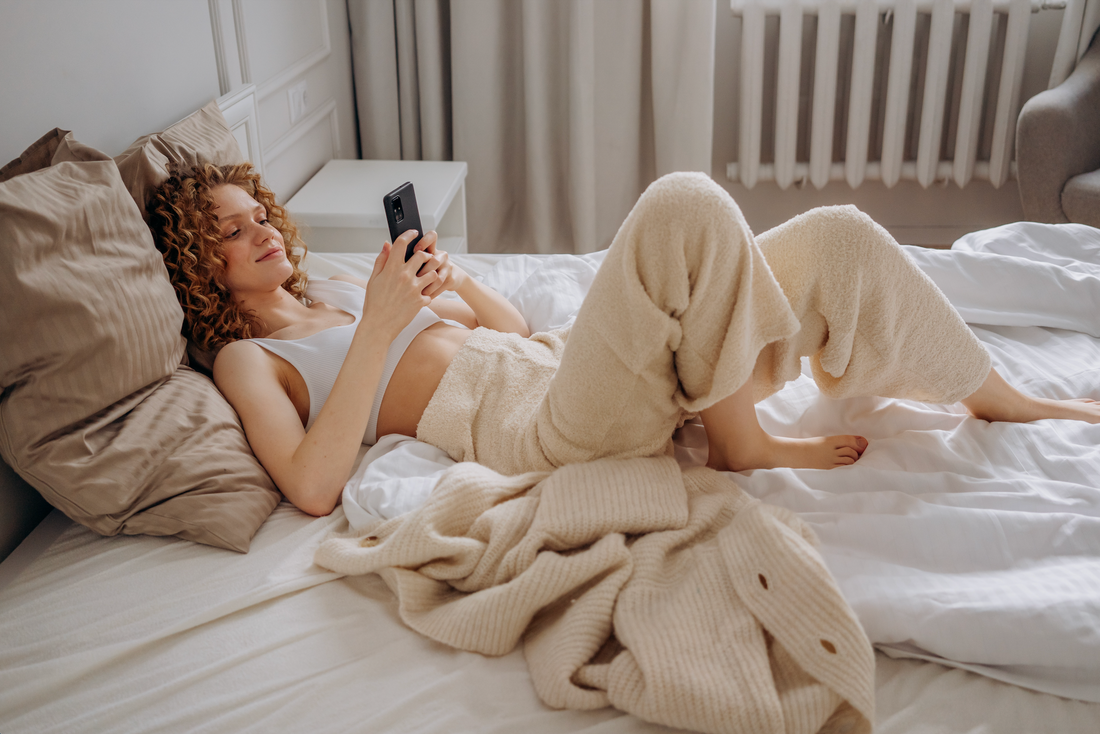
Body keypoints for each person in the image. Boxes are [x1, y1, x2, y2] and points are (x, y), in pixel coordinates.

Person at [150, 163, 1100, 517]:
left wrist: (452, 280)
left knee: (838, 239)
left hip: (558, 366)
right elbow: (313, 487)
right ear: (203, 267)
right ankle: (738, 442)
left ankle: (999, 394)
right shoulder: (248, 359)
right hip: (536, 427)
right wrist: (383, 332)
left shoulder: (347, 287)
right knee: (685, 204)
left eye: (255, 213)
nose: (259, 231)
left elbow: (514, 329)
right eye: (227, 233)